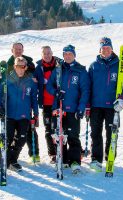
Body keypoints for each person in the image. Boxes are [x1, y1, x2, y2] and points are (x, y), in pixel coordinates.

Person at [47, 45, 90, 173]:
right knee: (58, 135)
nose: (67, 56)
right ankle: (63, 159)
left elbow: (85, 91)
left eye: (70, 54)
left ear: (74, 55)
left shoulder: (81, 70)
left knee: (72, 135)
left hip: (73, 109)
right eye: (65, 54)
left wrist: (81, 107)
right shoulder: (59, 69)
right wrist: (55, 92)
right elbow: (49, 85)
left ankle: (75, 161)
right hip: (58, 108)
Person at [88, 37, 123, 172]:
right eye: (103, 48)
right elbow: (88, 86)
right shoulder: (94, 66)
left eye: (108, 48)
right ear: (100, 50)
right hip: (96, 105)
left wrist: (122, 99)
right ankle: (96, 159)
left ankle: (110, 157)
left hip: (112, 106)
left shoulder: (119, 65)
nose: (106, 50)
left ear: (112, 49)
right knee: (96, 133)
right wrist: (88, 104)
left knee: (112, 132)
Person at [0, 56, 39, 171]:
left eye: (23, 66)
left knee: (21, 139)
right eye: (18, 66)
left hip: (24, 115)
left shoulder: (30, 81)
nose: (21, 68)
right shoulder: (7, 80)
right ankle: (2, 161)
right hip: (9, 115)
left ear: (26, 67)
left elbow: (34, 99)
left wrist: (36, 114)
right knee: (7, 139)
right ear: (14, 67)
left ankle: (12, 160)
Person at [7, 42, 40, 162]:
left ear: (23, 50)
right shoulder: (8, 64)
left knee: (28, 130)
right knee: (11, 133)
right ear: (12, 50)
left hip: (25, 99)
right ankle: (9, 157)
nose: (18, 51)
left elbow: (35, 78)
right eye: (16, 49)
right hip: (12, 105)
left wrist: (34, 81)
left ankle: (34, 153)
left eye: (20, 49)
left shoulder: (29, 63)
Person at [33, 46, 59, 164]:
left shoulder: (59, 65)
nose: (47, 55)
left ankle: (63, 150)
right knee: (49, 129)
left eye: (49, 53)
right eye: (45, 53)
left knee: (59, 128)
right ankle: (53, 153)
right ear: (42, 55)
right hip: (46, 103)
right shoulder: (39, 68)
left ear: (52, 53)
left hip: (58, 102)